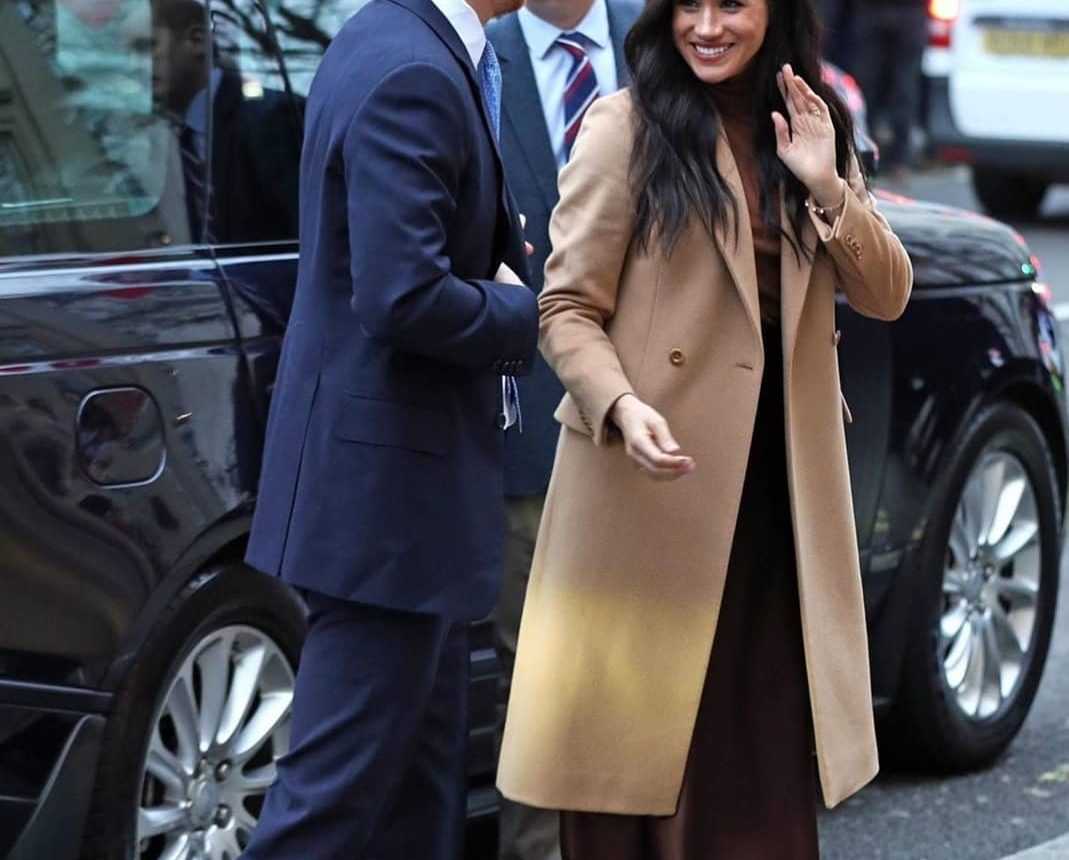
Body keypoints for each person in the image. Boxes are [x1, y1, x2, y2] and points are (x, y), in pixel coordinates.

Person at [497, 0, 913, 856]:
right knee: (634, 765)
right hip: (653, 483)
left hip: (777, 498)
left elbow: (885, 294)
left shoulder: (810, 123)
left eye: (731, 5)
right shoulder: (624, 126)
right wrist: (619, 404)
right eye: (688, 4)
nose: (707, 26)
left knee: (752, 765)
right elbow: (565, 308)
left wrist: (825, 185)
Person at [240, 0, 539, 854]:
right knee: (328, 807)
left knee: (418, 797)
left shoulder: (388, 35)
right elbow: (401, 294)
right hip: (387, 512)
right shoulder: (413, 68)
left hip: (401, 504)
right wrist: (518, 309)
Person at [485, 0, 639, 857]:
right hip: (534, 435)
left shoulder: (671, 41)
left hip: (675, 429)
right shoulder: (478, 55)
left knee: (658, 672)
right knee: (541, 680)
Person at [852, 0, 928, 179]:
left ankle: (894, 158)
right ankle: (872, 155)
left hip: (899, 13)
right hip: (885, 14)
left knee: (900, 89)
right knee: (871, 87)